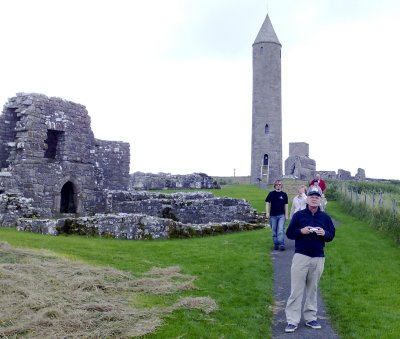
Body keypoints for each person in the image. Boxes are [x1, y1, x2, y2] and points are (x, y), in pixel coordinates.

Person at [284, 188, 335, 333]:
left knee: (312, 289)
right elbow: (289, 234)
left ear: (320, 200)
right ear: (307, 199)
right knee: (296, 290)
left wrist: (324, 233)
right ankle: (292, 320)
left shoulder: (325, 218)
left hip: (318, 257)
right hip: (301, 256)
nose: (314, 199)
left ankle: (311, 317)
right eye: (311, 196)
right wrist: (301, 231)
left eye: (317, 197)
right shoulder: (299, 216)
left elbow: (331, 235)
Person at [265, 179, 288, 251]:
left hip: (281, 215)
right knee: (274, 231)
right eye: (277, 184)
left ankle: (281, 244)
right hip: (272, 216)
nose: (278, 186)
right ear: (275, 186)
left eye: (280, 184)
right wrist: (267, 212)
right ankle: (276, 244)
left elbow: (286, 205)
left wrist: (286, 215)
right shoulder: (271, 194)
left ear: (281, 186)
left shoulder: (284, 194)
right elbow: (267, 203)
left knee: (280, 230)